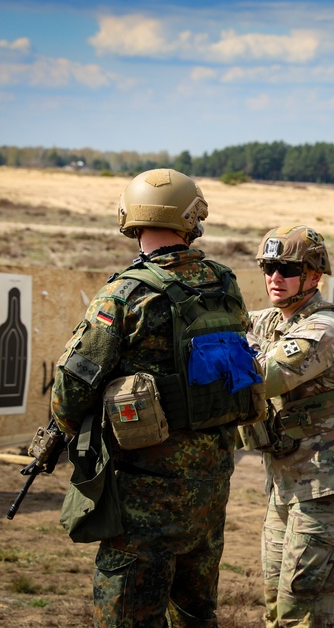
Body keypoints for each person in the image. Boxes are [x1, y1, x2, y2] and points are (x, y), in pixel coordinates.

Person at [50, 168, 260, 627]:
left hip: (144, 491)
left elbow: (70, 391)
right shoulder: (224, 284)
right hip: (211, 482)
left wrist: (66, 429)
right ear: (192, 219)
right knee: (194, 612)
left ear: (130, 217)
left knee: (128, 615)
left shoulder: (125, 295)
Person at [239, 225, 334, 628]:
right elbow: (230, 324)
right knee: (275, 607)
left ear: (315, 276)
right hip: (287, 482)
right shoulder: (276, 319)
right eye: (268, 267)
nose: (274, 278)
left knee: (303, 614)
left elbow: (262, 377)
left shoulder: (324, 330)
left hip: (327, 487)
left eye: (286, 268)